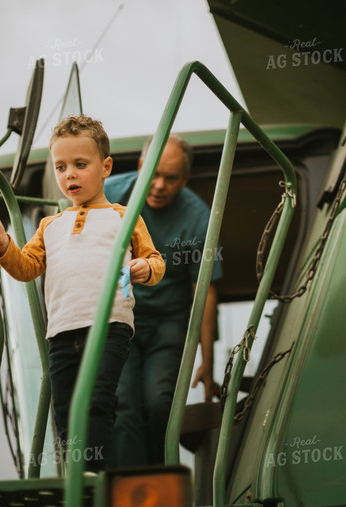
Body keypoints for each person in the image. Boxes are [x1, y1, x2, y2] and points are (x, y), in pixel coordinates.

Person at [0, 115, 165, 472]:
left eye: (80, 164)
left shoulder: (125, 216)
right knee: (63, 408)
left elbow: (155, 261)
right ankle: (76, 472)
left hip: (110, 324)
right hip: (61, 330)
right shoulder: (50, 225)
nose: (69, 175)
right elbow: (27, 267)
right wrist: (2, 244)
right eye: (61, 167)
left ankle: (95, 472)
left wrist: (145, 268)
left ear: (106, 166)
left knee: (96, 400)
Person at [105, 134, 223, 466]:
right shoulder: (111, 195)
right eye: (153, 174)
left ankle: (158, 479)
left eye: (170, 178)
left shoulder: (199, 218)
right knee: (123, 402)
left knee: (158, 402)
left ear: (184, 180)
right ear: (141, 167)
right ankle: (129, 489)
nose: (158, 185)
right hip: (119, 317)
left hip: (167, 325)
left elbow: (205, 290)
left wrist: (207, 362)